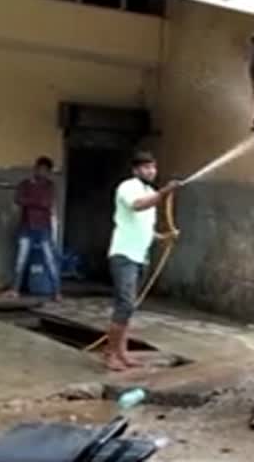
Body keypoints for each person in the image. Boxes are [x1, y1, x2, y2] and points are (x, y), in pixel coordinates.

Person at [105, 150, 180, 371]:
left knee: (128, 308)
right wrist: (164, 193)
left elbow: (145, 229)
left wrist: (164, 237)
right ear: (135, 170)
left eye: (153, 167)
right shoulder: (128, 187)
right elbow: (137, 205)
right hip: (124, 255)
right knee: (125, 304)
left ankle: (122, 353)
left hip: (140, 257)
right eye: (146, 167)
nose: (151, 171)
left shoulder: (151, 192)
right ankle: (110, 354)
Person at [2, 156, 60, 300]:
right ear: (36, 169)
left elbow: (46, 203)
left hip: (44, 227)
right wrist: (37, 201)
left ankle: (57, 292)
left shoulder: (50, 186)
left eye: (46, 170)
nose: (42, 172)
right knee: (20, 260)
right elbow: (18, 199)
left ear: (49, 172)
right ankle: (15, 290)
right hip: (26, 226)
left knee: (50, 260)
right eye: (40, 169)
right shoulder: (25, 184)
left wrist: (29, 201)